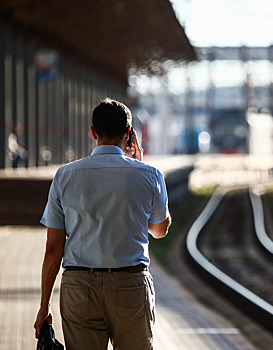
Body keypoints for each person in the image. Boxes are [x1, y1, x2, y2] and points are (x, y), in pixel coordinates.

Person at [34, 98, 171, 350]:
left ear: (93, 132)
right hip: (130, 286)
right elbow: (159, 230)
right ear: (129, 134)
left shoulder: (65, 175)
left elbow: (53, 249)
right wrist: (138, 167)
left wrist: (44, 307)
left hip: (79, 287)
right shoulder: (149, 175)